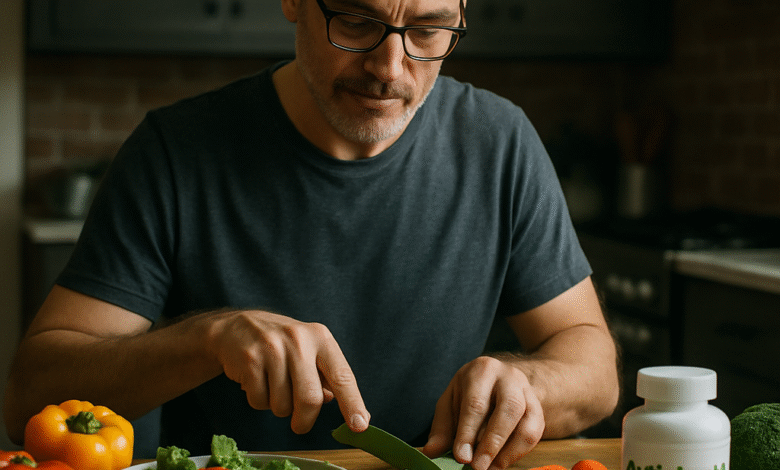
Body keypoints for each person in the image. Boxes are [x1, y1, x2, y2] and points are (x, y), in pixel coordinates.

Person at [4, 0, 619, 468]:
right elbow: (31, 396)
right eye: (354, 20)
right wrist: (207, 339)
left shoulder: (500, 141)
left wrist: (532, 382)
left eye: (428, 31)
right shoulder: (175, 152)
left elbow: (591, 365)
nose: (389, 68)